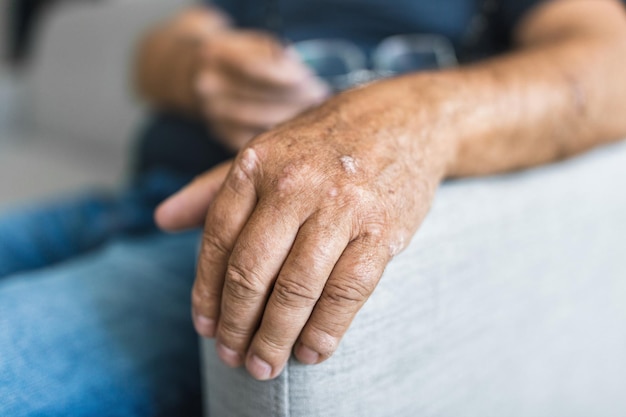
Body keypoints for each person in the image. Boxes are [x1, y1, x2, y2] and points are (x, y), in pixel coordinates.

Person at [1, 0, 625, 416]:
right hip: (127, 198)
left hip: (221, 231)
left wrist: (396, 121)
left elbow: (610, 62)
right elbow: (160, 49)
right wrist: (199, 63)